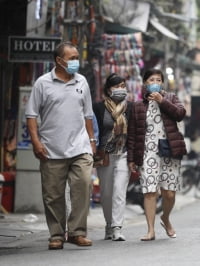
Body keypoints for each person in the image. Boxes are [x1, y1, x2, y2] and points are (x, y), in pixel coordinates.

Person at [25, 41, 95, 250]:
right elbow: (31, 115)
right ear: (59, 60)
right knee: (53, 195)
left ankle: (77, 232)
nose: (76, 62)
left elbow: (88, 114)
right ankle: (56, 234)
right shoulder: (42, 83)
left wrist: (92, 142)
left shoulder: (82, 82)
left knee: (83, 185)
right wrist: (36, 142)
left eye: (76, 57)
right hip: (51, 149)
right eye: (72, 58)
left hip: (80, 147)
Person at [127, 68, 187, 241]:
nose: (155, 83)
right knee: (150, 191)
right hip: (147, 153)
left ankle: (165, 218)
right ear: (145, 83)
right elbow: (132, 134)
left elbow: (180, 114)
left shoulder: (171, 98)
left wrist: (162, 101)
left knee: (169, 193)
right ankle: (150, 230)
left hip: (169, 150)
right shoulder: (137, 106)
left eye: (158, 80)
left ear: (162, 83)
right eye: (151, 80)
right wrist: (132, 158)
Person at [93, 73, 132, 241]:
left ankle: (117, 227)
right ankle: (109, 224)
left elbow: (135, 132)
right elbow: (95, 130)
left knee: (118, 190)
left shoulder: (130, 107)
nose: (120, 89)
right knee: (106, 193)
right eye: (116, 86)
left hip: (123, 153)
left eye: (123, 86)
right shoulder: (99, 108)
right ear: (108, 89)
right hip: (105, 155)